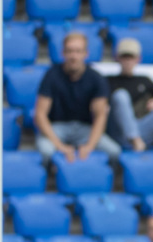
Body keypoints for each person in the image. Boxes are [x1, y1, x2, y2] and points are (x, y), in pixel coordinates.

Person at [34, 32, 122, 164]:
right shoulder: (51, 75)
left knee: (114, 151)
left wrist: (89, 147)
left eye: (78, 51)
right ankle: (53, 179)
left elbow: (100, 116)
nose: (73, 56)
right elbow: (40, 115)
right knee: (46, 151)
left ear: (85, 54)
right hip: (57, 128)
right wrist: (60, 146)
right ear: (63, 53)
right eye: (69, 51)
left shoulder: (96, 78)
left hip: (85, 129)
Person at [105, 37, 153, 153]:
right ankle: (135, 141)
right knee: (121, 95)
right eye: (124, 57)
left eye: (131, 57)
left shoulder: (145, 80)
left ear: (138, 59)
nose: (127, 61)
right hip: (118, 130)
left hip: (143, 128)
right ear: (117, 58)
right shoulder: (108, 81)